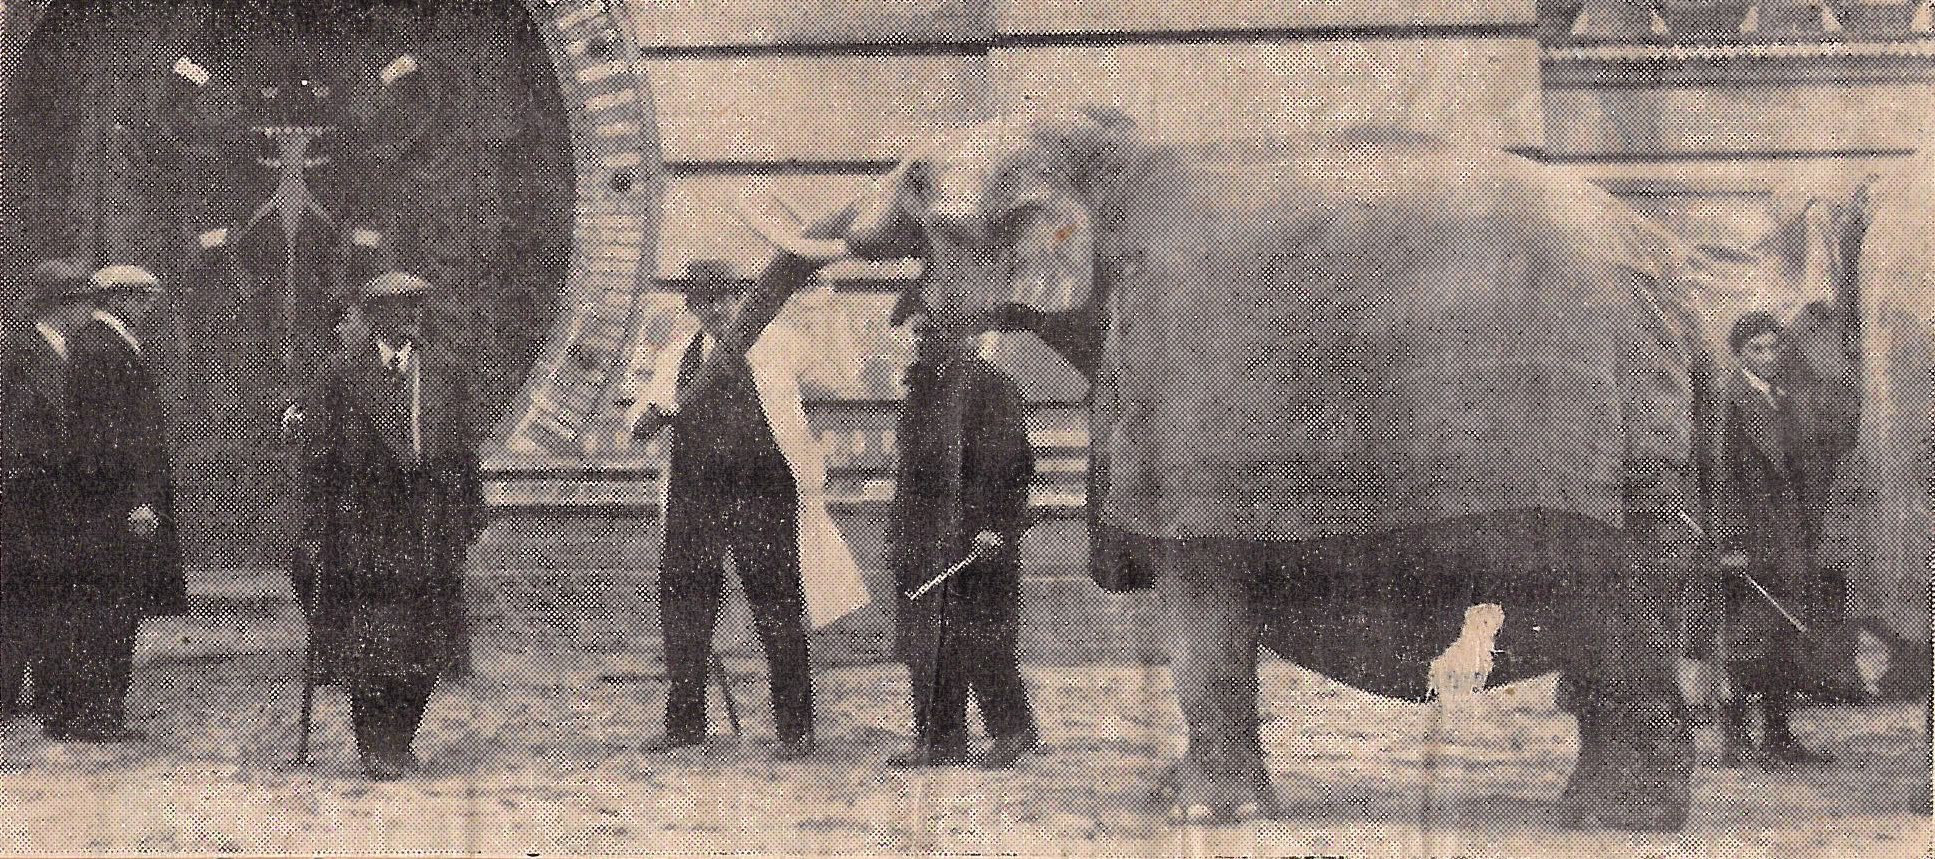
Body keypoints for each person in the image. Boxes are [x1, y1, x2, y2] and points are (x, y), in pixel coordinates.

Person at [627, 260, 866, 761]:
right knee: (686, 606)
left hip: (763, 491)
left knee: (776, 607)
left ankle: (795, 728)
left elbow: (842, 378)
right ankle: (685, 722)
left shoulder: (779, 343)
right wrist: (652, 414)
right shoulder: (679, 354)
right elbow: (643, 418)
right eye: (704, 302)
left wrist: (824, 305)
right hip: (696, 493)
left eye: (724, 299)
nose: (716, 310)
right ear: (693, 308)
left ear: (740, 300)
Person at [296, 272, 483, 780]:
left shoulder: (445, 371)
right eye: (400, 308)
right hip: (366, 524)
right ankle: (375, 742)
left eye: (417, 307)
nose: (411, 317)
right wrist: (317, 523)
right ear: (376, 316)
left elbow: (464, 449)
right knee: (372, 638)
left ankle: (401, 734)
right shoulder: (340, 374)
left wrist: (469, 514)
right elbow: (318, 455)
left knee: (426, 639)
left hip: (430, 524)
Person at [887, 303, 1039, 768]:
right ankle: (939, 739)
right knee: (927, 639)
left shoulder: (992, 387)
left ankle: (1013, 731)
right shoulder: (920, 389)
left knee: (984, 636)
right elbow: (909, 473)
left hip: (977, 537)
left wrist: (997, 526)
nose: (920, 341)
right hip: (924, 536)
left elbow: (1012, 466)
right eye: (919, 333)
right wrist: (899, 534)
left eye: (930, 333)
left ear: (960, 337)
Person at [56, 264, 188, 742]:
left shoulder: (105, 344)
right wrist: (138, 498)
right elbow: (113, 437)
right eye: (143, 297)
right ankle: (96, 714)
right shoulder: (103, 349)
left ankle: (92, 711)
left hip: (107, 503)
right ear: (120, 299)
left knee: (107, 606)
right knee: (110, 608)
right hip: (113, 505)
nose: (149, 307)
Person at [1713, 310, 1834, 767]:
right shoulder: (1729, 403)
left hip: (1787, 538)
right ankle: (1737, 739)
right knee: (1745, 638)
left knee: (1784, 634)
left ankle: (1779, 735)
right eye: (1756, 349)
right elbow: (1720, 479)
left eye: (1774, 347)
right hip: (1750, 537)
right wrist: (1729, 543)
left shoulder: (1785, 400)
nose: (1768, 356)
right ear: (1739, 354)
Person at [0, 259, 92, 726]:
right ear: (62, 305)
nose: (88, 313)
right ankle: (11, 692)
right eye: (81, 303)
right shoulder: (21, 353)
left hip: (55, 496)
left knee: (47, 594)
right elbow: (16, 431)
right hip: (29, 495)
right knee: (23, 595)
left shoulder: (66, 351)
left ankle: (45, 690)